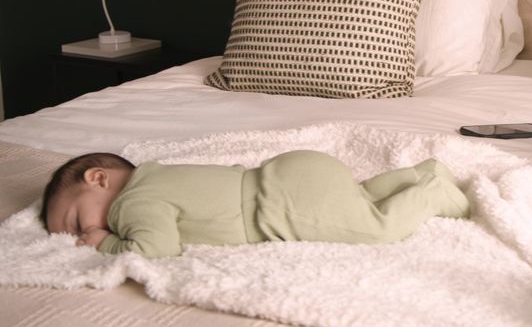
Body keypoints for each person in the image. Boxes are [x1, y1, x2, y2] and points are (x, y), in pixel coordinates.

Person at [40, 150, 470, 258]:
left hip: (278, 202)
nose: (82, 233)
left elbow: (157, 247)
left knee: (377, 229)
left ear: (99, 180)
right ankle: (418, 173)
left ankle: (429, 193)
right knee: (357, 199)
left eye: (77, 221)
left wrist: (104, 243)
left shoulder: (131, 204)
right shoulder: (159, 174)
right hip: (290, 175)